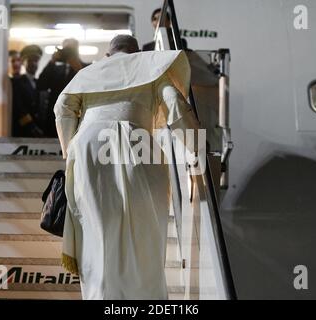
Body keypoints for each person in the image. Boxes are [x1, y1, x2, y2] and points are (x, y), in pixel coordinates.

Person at [54, 35, 201, 299]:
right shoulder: (151, 68)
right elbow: (177, 107)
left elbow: (62, 107)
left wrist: (70, 150)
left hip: (91, 146)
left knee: (97, 231)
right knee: (145, 229)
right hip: (139, 144)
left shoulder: (90, 73)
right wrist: (196, 149)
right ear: (136, 52)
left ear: (109, 55)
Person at [38, 38, 87, 137]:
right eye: (66, 50)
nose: (68, 53)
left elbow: (89, 86)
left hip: (78, 116)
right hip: (55, 117)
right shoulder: (55, 69)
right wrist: (52, 61)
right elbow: (41, 85)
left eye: (71, 50)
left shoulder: (86, 68)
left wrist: (79, 69)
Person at [11, 45, 44, 137]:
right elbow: (18, 107)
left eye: (36, 60)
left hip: (39, 129)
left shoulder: (39, 83)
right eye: (30, 60)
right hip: (23, 130)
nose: (33, 63)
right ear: (23, 63)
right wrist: (31, 126)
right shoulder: (17, 82)